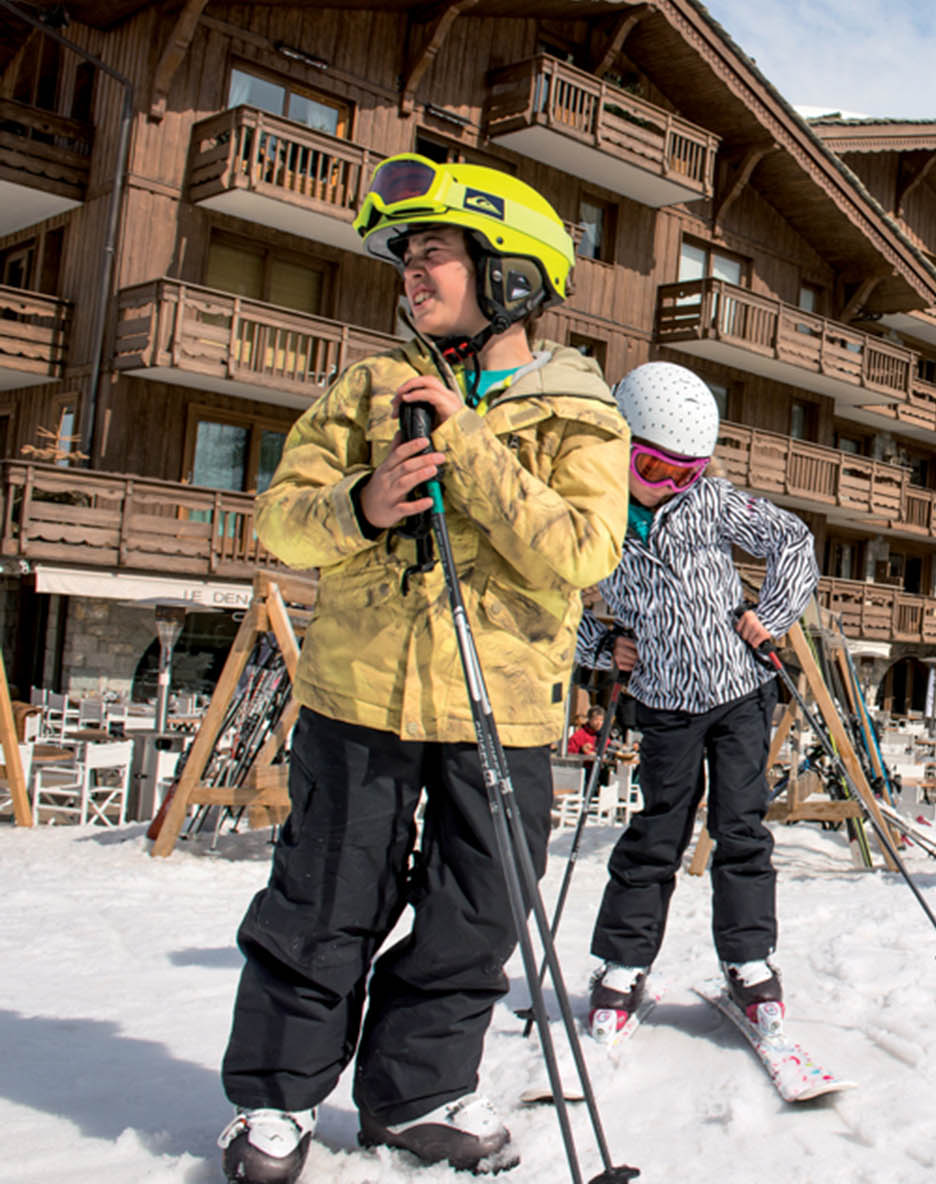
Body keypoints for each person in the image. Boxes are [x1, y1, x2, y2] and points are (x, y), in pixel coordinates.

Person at [216, 154, 628, 1184]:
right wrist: (360, 505)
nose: (412, 274)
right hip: (360, 699)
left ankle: (421, 1092)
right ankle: (275, 1100)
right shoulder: (368, 388)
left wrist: (474, 453)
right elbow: (281, 519)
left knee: (475, 910)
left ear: (512, 275)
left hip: (506, 715)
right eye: (406, 258)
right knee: (322, 899)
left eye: (435, 254)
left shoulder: (583, 412)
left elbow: (584, 551)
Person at [577, 360, 819, 1047]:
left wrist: (770, 614)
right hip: (663, 704)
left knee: (742, 830)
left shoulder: (712, 503)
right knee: (658, 833)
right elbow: (553, 601)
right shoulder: (592, 519)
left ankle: (749, 962)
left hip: (740, 692)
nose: (672, 488)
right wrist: (604, 647)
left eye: (688, 473)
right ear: (619, 449)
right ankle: (622, 965)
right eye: (655, 471)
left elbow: (793, 541)